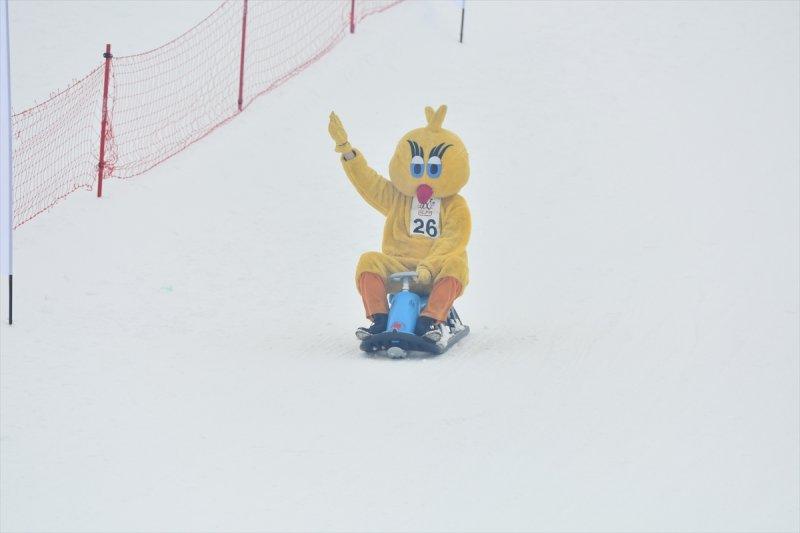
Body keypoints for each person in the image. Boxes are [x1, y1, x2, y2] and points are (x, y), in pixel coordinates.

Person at [328, 105, 471, 339]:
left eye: (433, 169)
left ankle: (431, 321)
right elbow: (370, 184)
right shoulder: (399, 198)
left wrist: (429, 266)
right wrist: (347, 152)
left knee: (456, 264)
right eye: (417, 167)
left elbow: (453, 239)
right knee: (369, 261)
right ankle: (380, 318)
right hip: (400, 267)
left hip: (435, 270)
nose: (424, 175)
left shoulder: (455, 205)